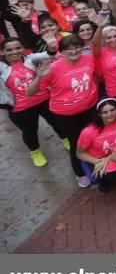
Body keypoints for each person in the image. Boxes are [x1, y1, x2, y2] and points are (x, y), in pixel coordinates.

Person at [25, 35, 99, 187]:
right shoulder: (53, 68)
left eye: (76, 47)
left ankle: (95, 167)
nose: (73, 51)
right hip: (66, 113)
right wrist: (38, 78)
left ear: (81, 47)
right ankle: (80, 173)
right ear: (62, 51)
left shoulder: (88, 59)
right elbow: (29, 93)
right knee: (77, 143)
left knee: (93, 139)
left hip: (89, 107)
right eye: (68, 49)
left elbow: (95, 77)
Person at [1, 36, 67, 167]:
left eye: (18, 48)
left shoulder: (31, 59)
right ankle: (35, 152)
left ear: (23, 49)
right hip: (20, 108)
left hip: (44, 100)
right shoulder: (2, 68)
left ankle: (65, 139)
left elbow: (48, 54)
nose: (14, 52)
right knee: (30, 131)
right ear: (2, 52)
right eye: (9, 50)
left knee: (56, 121)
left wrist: (52, 47)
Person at [76, 97, 116, 190]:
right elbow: (80, 153)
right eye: (105, 112)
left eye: (112, 110)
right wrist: (97, 162)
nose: (110, 114)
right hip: (97, 160)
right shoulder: (89, 131)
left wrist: (108, 159)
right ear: (99, 114)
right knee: (103, 177)